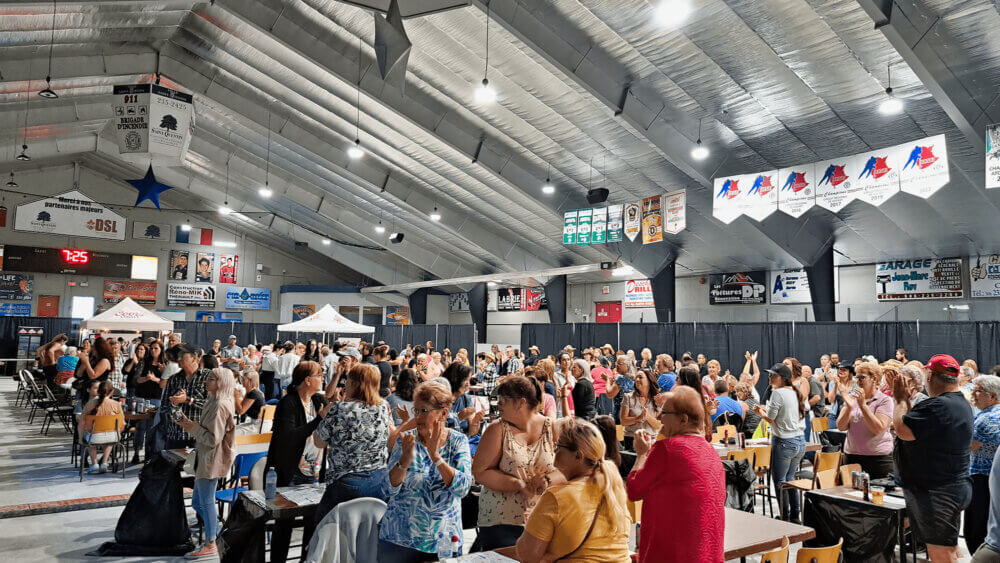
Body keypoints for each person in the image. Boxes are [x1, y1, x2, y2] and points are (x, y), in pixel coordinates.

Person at [627, 386, 725, 562]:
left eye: (664, 413)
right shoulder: (711, 452)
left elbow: (634, 490)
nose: (659, 418)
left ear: (684, 419)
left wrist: (641, 454)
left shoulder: (667, 449)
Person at [512, 417, 630, 562]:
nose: (555, 453)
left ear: (578, 456)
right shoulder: (613, 489)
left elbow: (527, 555)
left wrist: (531, 522)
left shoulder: (557, 497)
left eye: (558, 447)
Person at [892, 354, 973, 562]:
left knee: (941, 555)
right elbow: (915, 429)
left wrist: (900, 399)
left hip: (938, 491)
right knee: (949, 548)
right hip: (950, 486)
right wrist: (907, 404)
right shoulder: (958, 403)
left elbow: (903, 431)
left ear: (930, 377)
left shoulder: (938, 406)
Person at [379, 381, 473, 561]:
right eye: (416, 410)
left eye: (424, 411)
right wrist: (404, 462)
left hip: (443, 541)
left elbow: (462, 488)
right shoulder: (406, 440)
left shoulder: (458, 442)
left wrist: (435, 456)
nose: (418, 417)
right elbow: (386, 489)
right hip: (400, 539)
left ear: (443, 413)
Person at [472, 375, 560, 551]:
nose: (499, 404)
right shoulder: (497, 430)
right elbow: (480, 472)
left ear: (521, 402)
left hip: (543, 518)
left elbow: (568, 469)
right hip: (501, 521)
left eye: (503, 400)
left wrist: (547, 480)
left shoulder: (552, 428)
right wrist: (518, 484)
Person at [312, 364, 394, 525]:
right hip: (378, 483)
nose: (344, 384)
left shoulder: (339, 409)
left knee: (320, 531)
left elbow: (319, 442)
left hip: (346, 485)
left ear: (355, 384)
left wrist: (325, 417)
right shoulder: (384, 407)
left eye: (348, 379)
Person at [267, 361, 331, 563]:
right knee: (284, 525)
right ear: (307, 379)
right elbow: (288, 437)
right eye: (319, 375)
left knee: (312, 523)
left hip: (314, 469)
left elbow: (329, 407)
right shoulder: (288, 403)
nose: (322, 378)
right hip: (290, 470)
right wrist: (317, 421)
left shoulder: (317, 400)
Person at [175, 367, 236, 559]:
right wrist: (189, 424)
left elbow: (212, 438)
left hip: (212, 457)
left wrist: (190, 426)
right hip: (208, 456)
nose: (206, 382)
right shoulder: (216, 401)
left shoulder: (220, 404)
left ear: (221, 382)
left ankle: (211, 541)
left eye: (211, 379)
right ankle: (215, 534)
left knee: (205, 501)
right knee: (199, 501)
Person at [755, 363, 806, 522]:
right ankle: (795, 515)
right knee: (790, 479)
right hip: (799, 440)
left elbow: (770, 418)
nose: (769, 377)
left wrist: (759, 412)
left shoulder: (778, 393)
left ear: (782, 378)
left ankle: (785, 516)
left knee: (780, 481)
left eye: (773, 375)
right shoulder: (794, 392)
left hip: (784, 441)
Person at [836, 364, 895, 479]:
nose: (858, 381)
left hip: (878, 459)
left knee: (877, 495)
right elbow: (841, 427)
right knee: (850, 495)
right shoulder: (852, 398)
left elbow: (878, 429)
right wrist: (848, 408)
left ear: (874, 379)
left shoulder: (885, 400)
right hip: (852, 456)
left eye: (862, 377)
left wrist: (863, 406)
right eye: (856, 378)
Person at [966, 375, 1000, 554]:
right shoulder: (990, 413)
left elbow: (967, 446)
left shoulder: (987, 418)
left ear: (993, 396)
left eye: (978, 391)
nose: (973, 394)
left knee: (976, 530)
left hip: (982, 479)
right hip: (990, 478)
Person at [159, 345, 209, 450]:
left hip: (199, 435)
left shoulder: (208, 376)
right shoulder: (174, 379)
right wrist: (174, 404)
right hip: (175, 435)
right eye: (177, 355)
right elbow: (164, 407)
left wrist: (188, 400)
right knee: (173, 465)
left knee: (196, 466)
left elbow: (212, 406)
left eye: (182, 355)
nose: (178, 358)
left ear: (194, 357)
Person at [79, 380, 125, 474]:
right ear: (112, 392)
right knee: (110, 441)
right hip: (113, 436)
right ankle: (104, 462)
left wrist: (80, 438)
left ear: (98, 392)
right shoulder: (116, 405)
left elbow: (82, 422)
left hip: (95, 437)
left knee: (90, 438)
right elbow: (122, 424)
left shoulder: (90, 403)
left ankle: (94, 463)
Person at [620, 369, 660, 451]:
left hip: (651, 439)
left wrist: (647, 416)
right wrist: (638, 418)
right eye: (636, 377)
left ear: (649, 381)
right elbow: (623, 421)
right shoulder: (628, 397)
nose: (637, 380)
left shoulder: (657, 399)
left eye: (640, 377)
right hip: (632, 439)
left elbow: (658, 426)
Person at [443, 363, 484, 436]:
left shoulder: (466, 399)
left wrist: (475, 421)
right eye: (466, 380)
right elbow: (436, 431)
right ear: (455, 379)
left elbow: (471, 433)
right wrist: (458, 418)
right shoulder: (439, 399)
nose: (468, 384)